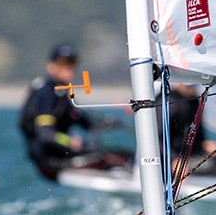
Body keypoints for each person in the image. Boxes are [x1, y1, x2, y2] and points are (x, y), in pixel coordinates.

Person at [18, 43, 132, 181]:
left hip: (60, 155)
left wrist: (107, 122)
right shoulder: (47, 93)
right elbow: (45, 133)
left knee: (121, 154)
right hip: (51, 161)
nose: (69, 67)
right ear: (51, 66)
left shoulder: (61, 92)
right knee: (122, 159)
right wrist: (70, 142)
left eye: (72, 62)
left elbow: (84, 121)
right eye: (64, 63)